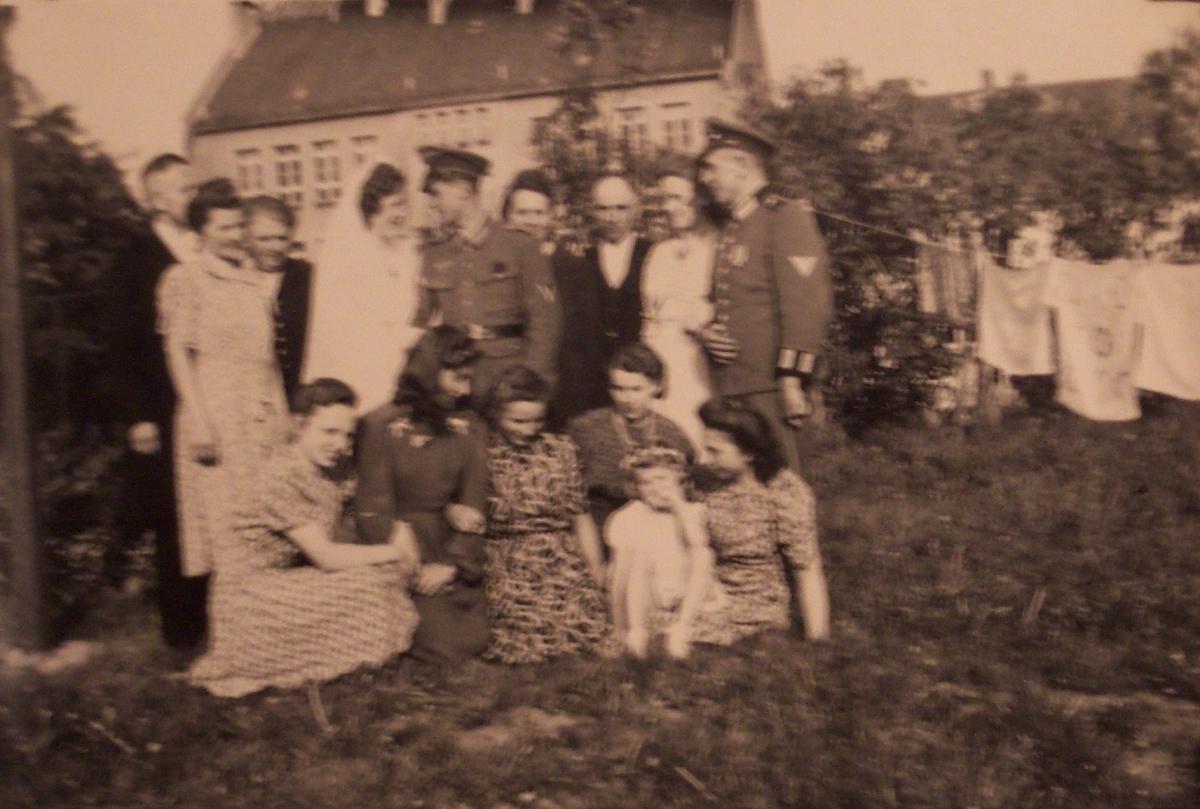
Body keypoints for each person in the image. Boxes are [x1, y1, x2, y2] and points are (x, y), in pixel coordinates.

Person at [188, 379, 419, 698]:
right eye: (329, 432)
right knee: (372, 583)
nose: (340, 444)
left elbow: (374, 498)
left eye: (347, 435)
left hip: (290, 579)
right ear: (299, 425)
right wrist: (393, 551)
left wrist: (402, 527)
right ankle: (328, 659)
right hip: (251, 595)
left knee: (377, 578)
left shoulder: (329, 470)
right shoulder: (280, 475)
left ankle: (354, 656)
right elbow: (327, 557)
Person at [157, 178, 289, 592]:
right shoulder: (186, 279)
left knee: (265, 520)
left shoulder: (254, 281)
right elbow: (177, 352)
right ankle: (234, 633)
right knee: (227, 526)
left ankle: (267, 625)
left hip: (259, 414)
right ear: (200, 234)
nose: (235, 237)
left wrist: (283, 416)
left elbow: (267, 358)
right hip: (216, 413)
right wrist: (199, 421)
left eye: (238, 227)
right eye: (224, 229)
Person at [695, 118, 834, 472]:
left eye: (712, 168)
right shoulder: (733, 228)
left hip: (772, 388)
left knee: (785, 488)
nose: (704, 179)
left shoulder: (784, 217)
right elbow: (725, 300)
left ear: (742, 165)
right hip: (734, 387)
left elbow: (806, 307)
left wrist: (792, 381)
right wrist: (708, 330)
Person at [111, 153, 204, 650]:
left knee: (208, 505)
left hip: (206, 398)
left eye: (192, 187)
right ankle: (182, 631)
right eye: (181, 189)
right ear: (154, 200)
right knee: (173, 514)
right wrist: (138, 416)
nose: (190, 196)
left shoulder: (200, 246)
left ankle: (216, 612)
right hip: (161, 405)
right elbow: (121, 344)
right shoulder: (134, 257)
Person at [356, 326, 491, 662]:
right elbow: (373, 505)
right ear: (430, 371)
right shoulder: (381, 424)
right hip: (396, 545)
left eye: (470, 380)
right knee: (437, 641)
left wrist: (452, 567)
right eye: (458, 378)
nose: (465, 390)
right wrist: (409, 565)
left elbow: (474, 503)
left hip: (446, 544)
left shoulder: (470, 427)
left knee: (472, 638)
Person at [482, 365, 612, 665]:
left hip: (559, 549)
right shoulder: (482, 450)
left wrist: (595, 568)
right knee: (526, 622)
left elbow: (580, 514)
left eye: (536, 421)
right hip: (508, 551)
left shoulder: (561, 449)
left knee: (585, 619)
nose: (528, 430)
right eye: (517, 421)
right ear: (495, 413)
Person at [416, 147, 560, 404]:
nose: (432, 203)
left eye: (436, 194)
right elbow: (422, 323)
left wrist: (528, 385)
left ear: (463, 191)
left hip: (509, 377)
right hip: (455, 384)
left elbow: (545, 324)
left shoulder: (520, 246)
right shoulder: (433, 253)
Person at [697, 397, 830, 643]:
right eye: (706, 450)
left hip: (755, 603)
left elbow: (807, 568)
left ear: (748, 452)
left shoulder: (783, 491)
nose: (706, 460)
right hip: (702, 591)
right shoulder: (705, 483)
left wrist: (817, 640)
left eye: (715, 451)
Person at [304, 160, 423, 412]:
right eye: (394, 205)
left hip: (410, 369)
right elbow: (347, 328)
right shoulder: (348, 259)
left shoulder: (409, 252)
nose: (402, 214)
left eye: (404, 203)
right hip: (364, 370)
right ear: (371, 211)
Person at [605, 446, 727, 659]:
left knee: (703, 555)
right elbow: (619, 576)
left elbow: (698, 542)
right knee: (639, 559)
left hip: (688, 592)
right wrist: (618, 627)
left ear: (680, 482)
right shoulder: (627, 517)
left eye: (662, 479)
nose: (655, 488)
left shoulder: (694, 511)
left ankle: (682, 628)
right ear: (636, 488)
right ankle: (637, 633)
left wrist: (678, 505)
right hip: (650, 596)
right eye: (646, 482)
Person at [553, 174, 653, 425]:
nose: (612, 217)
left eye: (621, 208)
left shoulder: (654, 253)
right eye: (603, 208)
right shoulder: (579, 259)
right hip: (592, 379)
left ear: (636, 210)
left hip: (640, 377)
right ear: (592, 212)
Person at [567, 342, 693, 531]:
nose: (626, 398)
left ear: (657, 387)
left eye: (636, 389)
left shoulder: (672, 433)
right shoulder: (586, 428)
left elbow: (685, 481)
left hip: (661, 526)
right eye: (618, 389)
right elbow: (573, 485)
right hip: (601, 521)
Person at [641, 160, 718, 451]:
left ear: (701, 199)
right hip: (664, 362)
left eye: (678, 198)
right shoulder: (659, 252)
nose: (669, 207)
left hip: (703, 362)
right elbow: (649, 316)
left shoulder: (719, 247)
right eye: (665, 199)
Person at [243, 195, 312, 402]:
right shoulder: (234, 279)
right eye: (264, 239)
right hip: (251, 396)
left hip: (300, 395)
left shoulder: (310, 277)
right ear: (246, 239)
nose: (275, 247)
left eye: (282, 238)